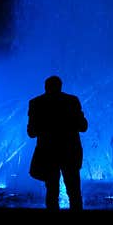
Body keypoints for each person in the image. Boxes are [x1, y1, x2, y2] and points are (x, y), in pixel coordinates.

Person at [27, 75, 88, 210]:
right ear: (60, 86)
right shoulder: (72, 101)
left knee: (51, 191)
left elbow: (31, 133)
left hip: (48, 152)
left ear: (45, 87)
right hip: (70, 151)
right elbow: (83, 127)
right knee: (74, 191)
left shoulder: (36, 103)